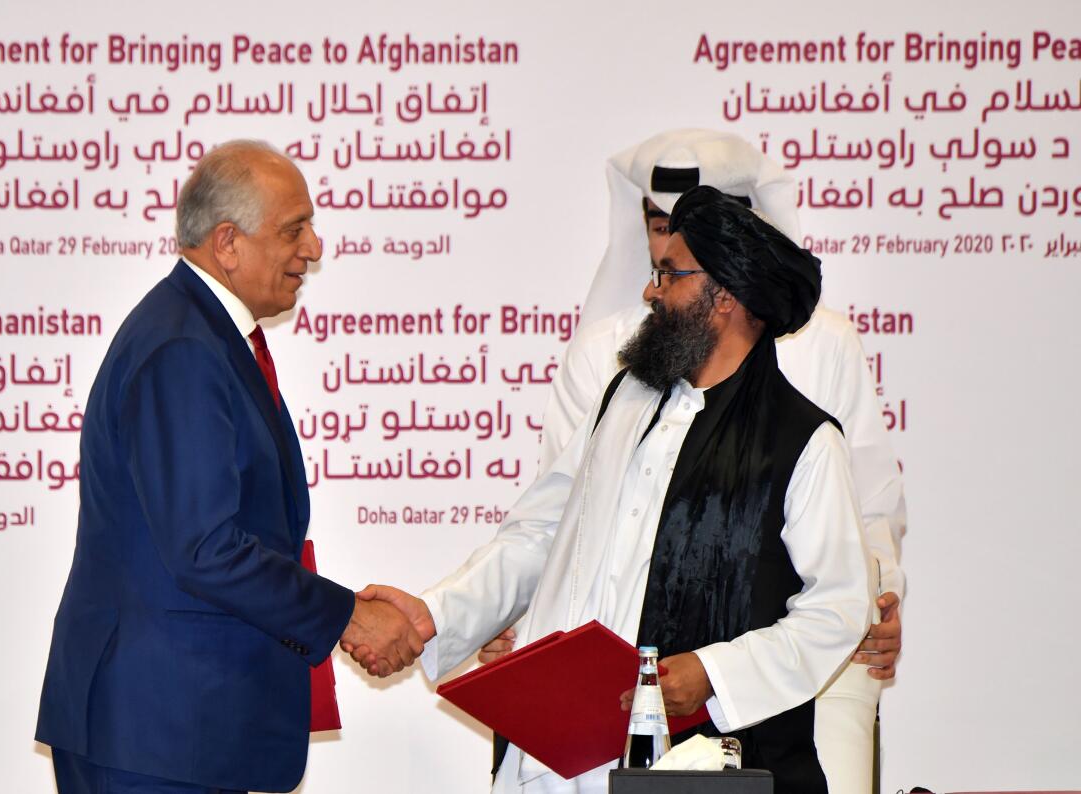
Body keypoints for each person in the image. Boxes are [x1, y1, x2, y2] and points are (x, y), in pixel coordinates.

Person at [353, 186, 873, 793]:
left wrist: (712, 672)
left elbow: (838, 608)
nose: (651, 291)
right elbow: (540, 535)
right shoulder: (624, 398)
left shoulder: (803, 441)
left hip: (699, 762)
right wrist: (435, 615)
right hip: (562, 756)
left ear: (724, 297)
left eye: (669, 275)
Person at [485, 130, 905, 794]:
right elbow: (563, 523)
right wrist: (515, 620)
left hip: (772, 678)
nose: (659, 258)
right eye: (656, 224)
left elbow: (866, 510)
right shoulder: (619, 363)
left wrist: (882, 599)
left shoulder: (823, 361)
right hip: (611, 682)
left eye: (678, 254)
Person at [35, 140, 423, 794]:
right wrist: (347, 617)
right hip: (158, 734)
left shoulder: (198, 332)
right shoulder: (183, 348)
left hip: (178, 729)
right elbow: (205, 548)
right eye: (293, 230)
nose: (314, 249)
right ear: (228, 243)